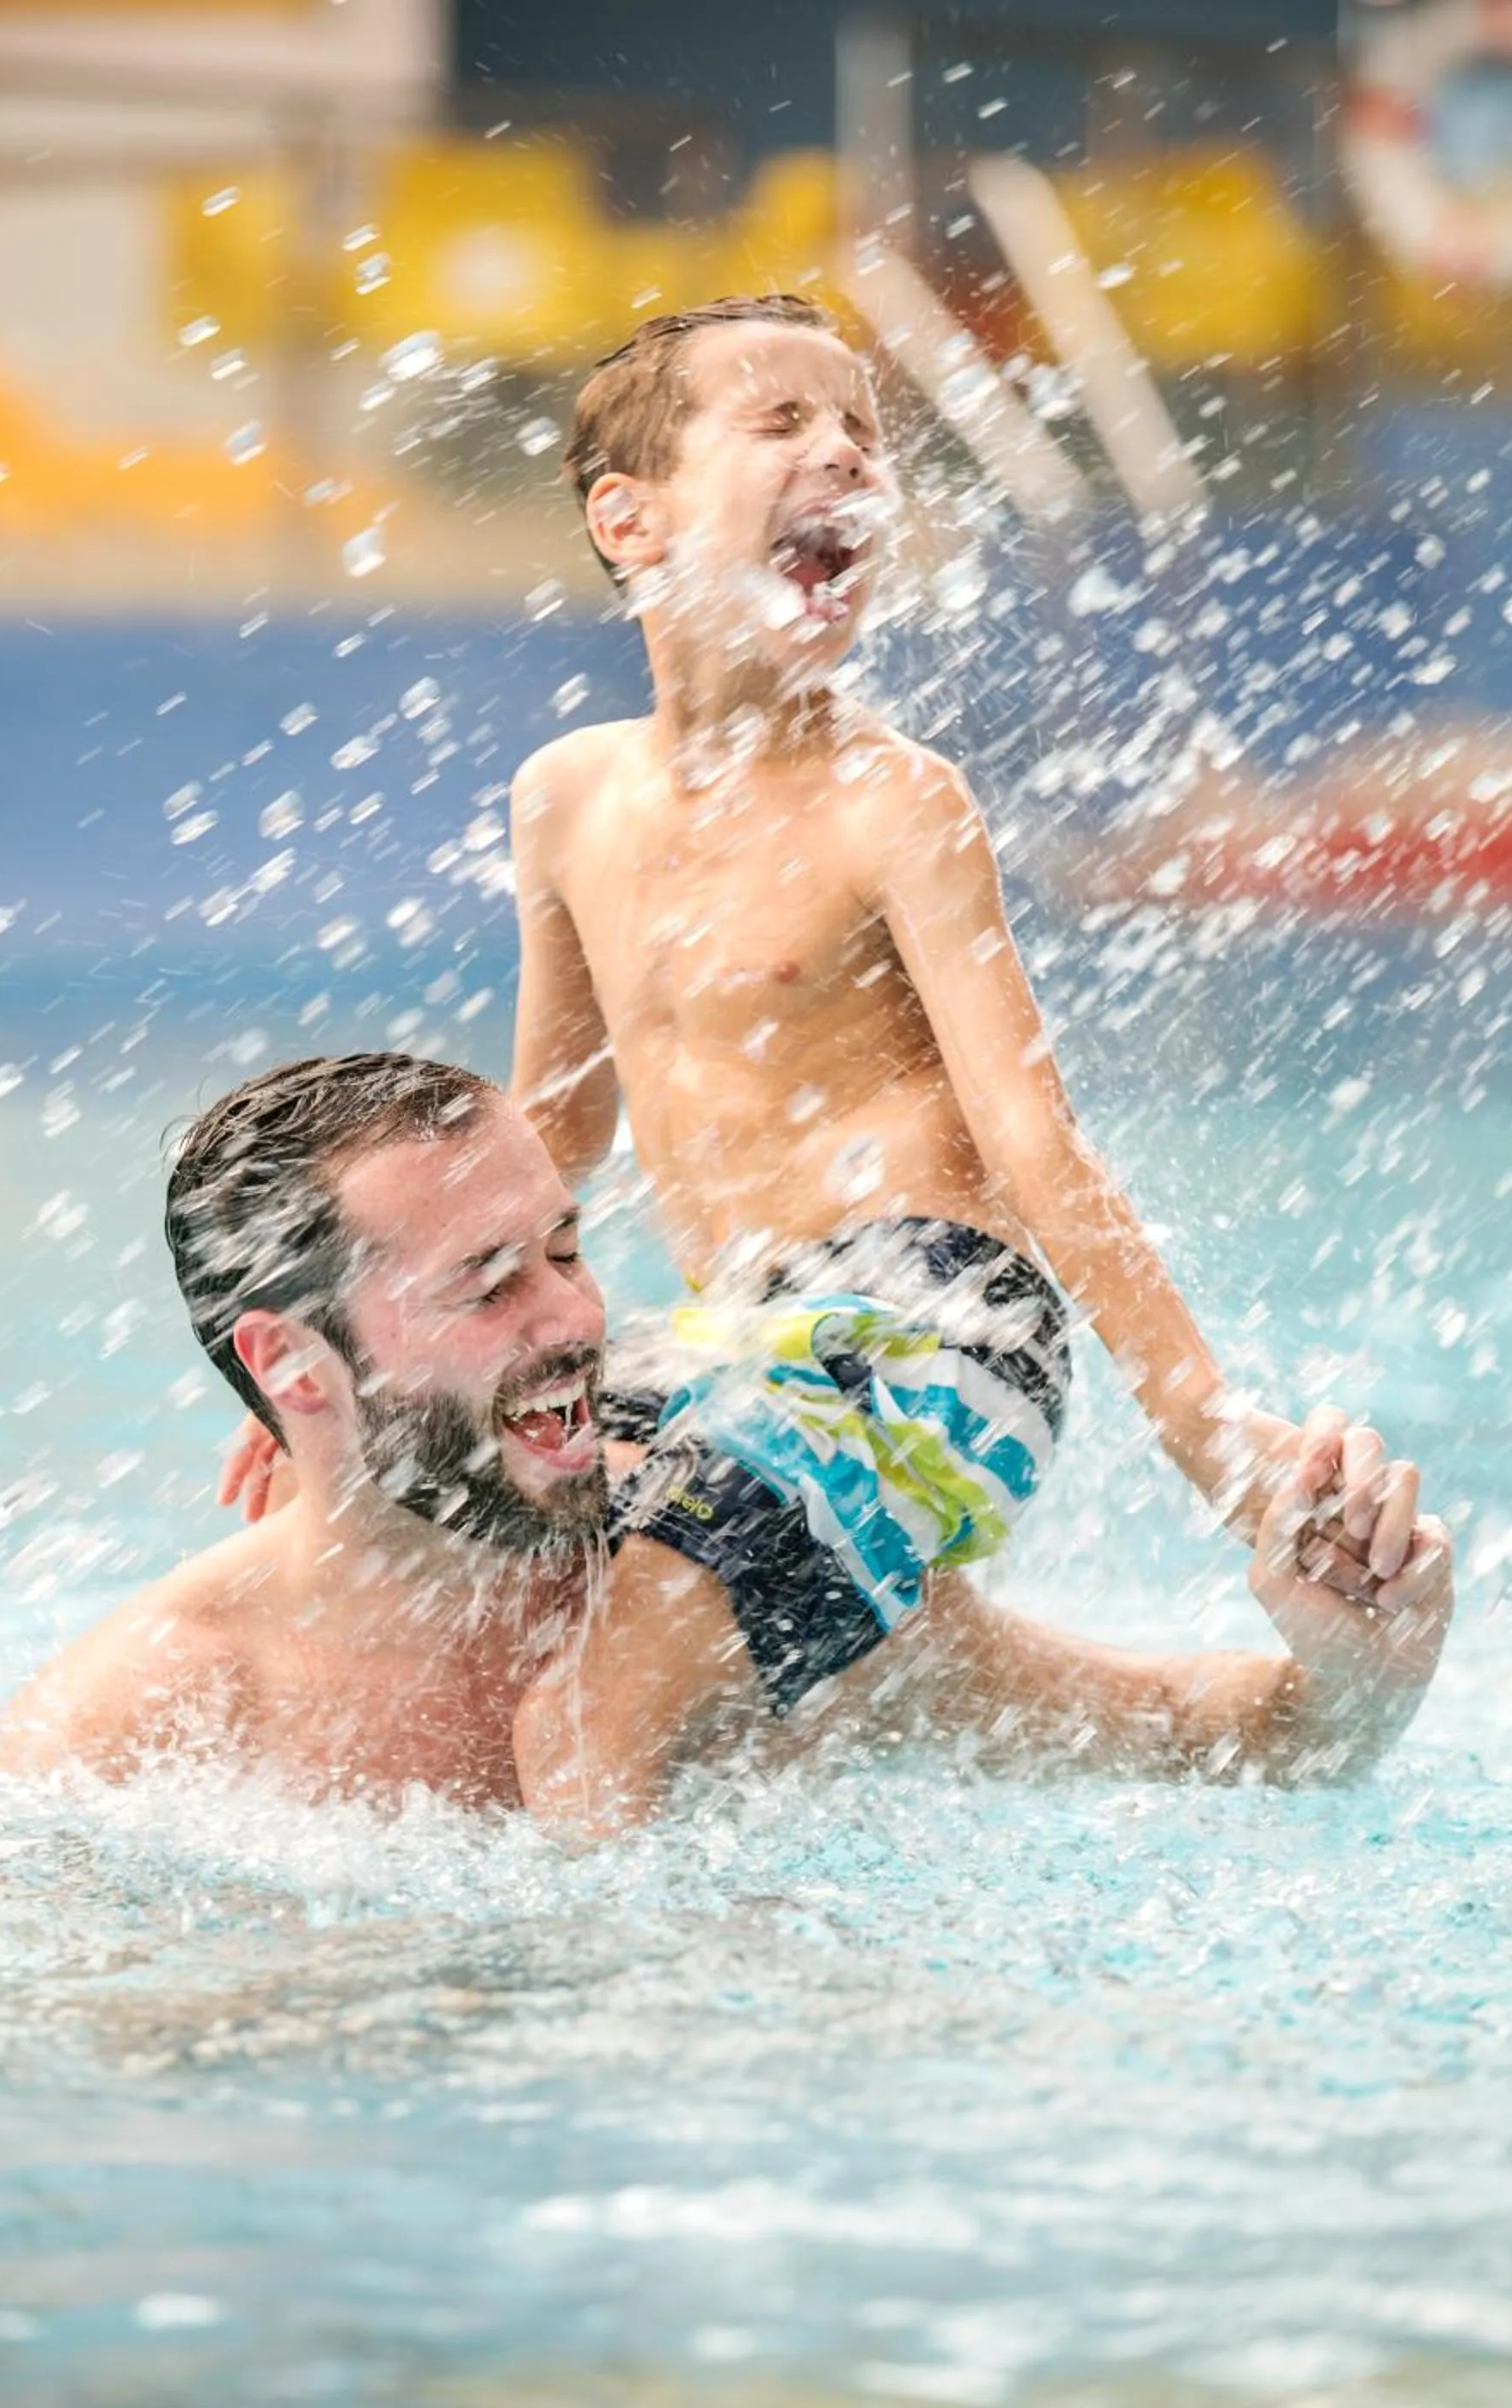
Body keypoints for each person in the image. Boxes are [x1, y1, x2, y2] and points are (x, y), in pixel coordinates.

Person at [488, 291, 1438, 1685]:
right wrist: (376, 1396)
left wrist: (1212, 1436)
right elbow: (548, 1135)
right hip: (745, 1347)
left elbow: (1033, 1139)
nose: (850, 451)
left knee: (614, 1660)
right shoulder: (566, 798)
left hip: (938, 1325)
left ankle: (595, 1901)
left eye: (866, 428)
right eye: (781, 419)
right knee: (466, 1519)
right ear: (632, 520)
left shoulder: (895, 802)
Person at [0, 1056, 1454, 1835]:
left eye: (566, 1249)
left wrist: (1356, 1677)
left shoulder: (722, 1575)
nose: (575, 1315)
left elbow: (1230, 1740)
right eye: (488, 1284)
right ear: (291, 1372)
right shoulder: (148, 1726)